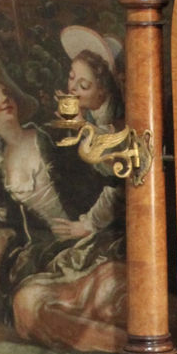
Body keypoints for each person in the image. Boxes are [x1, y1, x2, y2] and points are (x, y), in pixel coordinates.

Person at [0, 54, 126, 352]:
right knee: (28, 310)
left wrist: (87, 225)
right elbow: (0, 224)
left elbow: (113, 177)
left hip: (95, 245)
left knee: (110, 291)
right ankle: (120, 344)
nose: (5, 97)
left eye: (6, 91)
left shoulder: (53, 136)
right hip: (53, 259)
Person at [54, 24, 127, 239]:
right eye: (71, 77)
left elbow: (119, 185)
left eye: (83, 86)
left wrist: (88, 225)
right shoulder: (90, 114)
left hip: (119, 223)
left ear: (103, 92)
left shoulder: (116, 125)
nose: (72, 89)